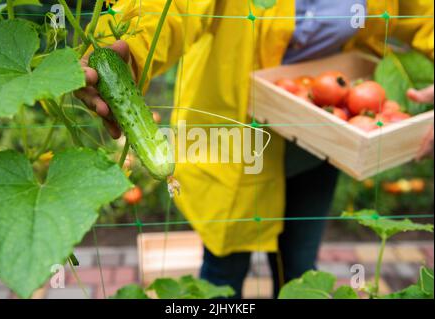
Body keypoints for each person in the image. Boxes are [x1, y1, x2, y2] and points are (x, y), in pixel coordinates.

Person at [76, 0, 434, 298]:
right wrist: (126, 50)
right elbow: (171, 9)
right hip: (236, 138)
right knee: (223, 272)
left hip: (322, 131)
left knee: (299, 271)